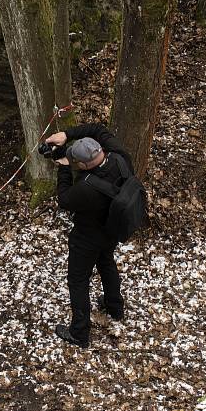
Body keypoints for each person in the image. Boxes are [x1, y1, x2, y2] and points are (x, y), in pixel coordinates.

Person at [44, 123, 133, 348]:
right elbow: (97, 129)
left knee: (78, 280)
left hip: (87, 237)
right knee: (106, 262)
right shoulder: (120, 157)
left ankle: (79, 332)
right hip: (113, 229)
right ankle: (114, 306)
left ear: (83, 165)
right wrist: (67, 134)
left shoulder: (86, 188)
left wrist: (64, 168)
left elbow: (64, 200)